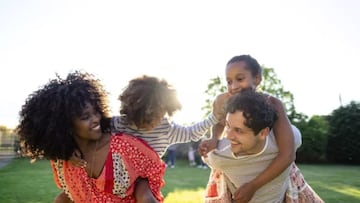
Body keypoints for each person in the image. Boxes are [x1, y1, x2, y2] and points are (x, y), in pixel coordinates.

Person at [16, 71, 165, 203]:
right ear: (64, 125)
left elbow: (153, 169)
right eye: (85, 116)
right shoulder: (62, 160)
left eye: (96, 111)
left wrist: (143, 191)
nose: (95, 119)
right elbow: (71, 194)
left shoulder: (124, 146)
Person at [199, 55, 320, 202]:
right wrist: (214, 138)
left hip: (271, 169)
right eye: (229, 81)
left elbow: (287, 154)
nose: (233, 87)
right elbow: (219, 121)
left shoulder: (271, 104)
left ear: (257, 79)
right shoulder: (225, 101)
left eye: (240, 79)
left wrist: (253, 186)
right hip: (237, 160)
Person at [71, 75, 221, 168]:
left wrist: (213, 117)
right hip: (117, 180)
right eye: (147, 118)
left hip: (145, 182)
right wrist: (69, 151)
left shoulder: (166, 129)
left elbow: (192, 133)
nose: (154, 122)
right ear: (132, 112)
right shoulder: (118, 124)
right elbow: (87, 134)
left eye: (160, 115)